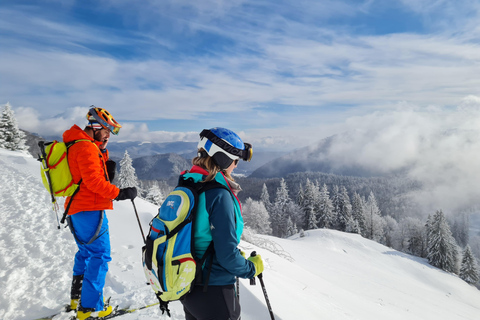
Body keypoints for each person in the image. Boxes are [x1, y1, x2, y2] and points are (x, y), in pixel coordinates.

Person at [180, 127, 265, 320]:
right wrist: (251, 268)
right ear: (224, 159)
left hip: (188, 287)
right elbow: (226, 255)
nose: (236, 166)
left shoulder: (189, 183)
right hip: (214, 289)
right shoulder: (218, 194)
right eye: (235, 160)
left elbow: (200, 236)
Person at [63, 106, 137, 320]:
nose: (108, 135)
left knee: (86, 253)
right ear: (96, 126)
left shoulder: (79, 144)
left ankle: (77, 300)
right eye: (106, 130)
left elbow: (87, 175)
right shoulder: (85, 147)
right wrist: (120, 193)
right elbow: (94, 182)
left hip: (77, 208)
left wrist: (102, 151)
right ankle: (90, 309)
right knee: (99, 255)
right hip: (88, 209)